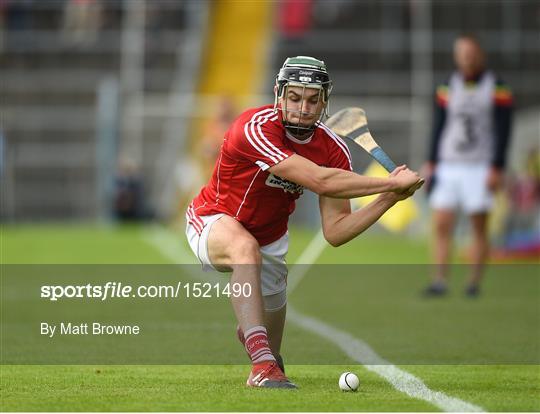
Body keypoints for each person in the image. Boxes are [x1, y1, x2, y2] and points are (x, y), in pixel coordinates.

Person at [185, 56, 421, 388]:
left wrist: (389, 199)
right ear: (279, 94)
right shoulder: (254, 128)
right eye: (294, 97)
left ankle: (259, 345)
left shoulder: (334, 149)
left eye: (313, 100)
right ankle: (260, 365)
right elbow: (320, 181)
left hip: (271, 239)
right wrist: (389, 182)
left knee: (274, 351)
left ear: (325, 102)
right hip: (214, 219)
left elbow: (336, 231)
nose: (302, 108)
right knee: (244, 248)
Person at [424, 35, 513, 297]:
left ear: (480, 54)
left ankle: (473, 283)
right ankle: (439, 281)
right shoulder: (446, 86)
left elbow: (504, 129)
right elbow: (438, 125)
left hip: (480, 165)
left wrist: (497, 166)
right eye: (462, 53)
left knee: (478, 225)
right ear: (456, 56)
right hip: (448, 164)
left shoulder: (497, 87)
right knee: (441, 223)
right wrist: (431, 161)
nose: (467, 58)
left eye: (471, 53)